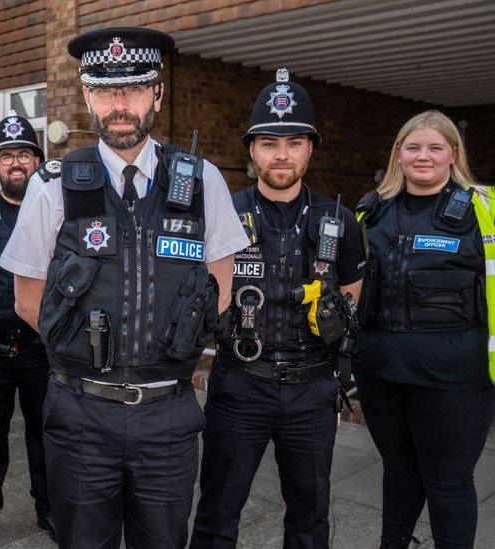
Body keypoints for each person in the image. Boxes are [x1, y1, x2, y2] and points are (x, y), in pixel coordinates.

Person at [0, 26, 249, 548]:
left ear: (157, 92)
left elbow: (220, 293)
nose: (120, 104)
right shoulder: (53, 184)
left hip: (168, 414)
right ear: (87, 94)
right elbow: (27, 301)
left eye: (133, 88)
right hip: (81, 413)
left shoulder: (202, 181)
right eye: (106, 89)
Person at [189, 69, 366, 549]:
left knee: (309, 521)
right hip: (240, 385)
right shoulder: (223, 213)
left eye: (293, 142)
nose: (281, 154)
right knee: (216, 515)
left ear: (310, 148)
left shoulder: (340, 221)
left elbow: (354, 293)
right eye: (269, 142)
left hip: (311, 392)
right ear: (251, 149)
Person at [354, 110, 495, 549]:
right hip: (380, 373)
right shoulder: (369, 210)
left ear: (454, 153)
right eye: (413, 147)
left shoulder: (485, 208)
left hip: (456, 378)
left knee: (449, 481)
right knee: (398, 470)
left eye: (436, 147)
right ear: (399, 153)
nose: (423, 156)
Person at [0, 111, 55, 539]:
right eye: (7, 156)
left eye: (24, 154)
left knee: (47, 436)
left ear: (37, 161)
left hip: (41, 345)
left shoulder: (55, 212)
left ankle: (50, 509)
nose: (16, 163)